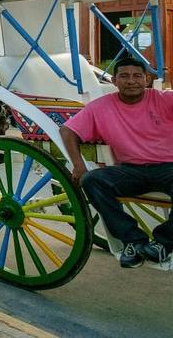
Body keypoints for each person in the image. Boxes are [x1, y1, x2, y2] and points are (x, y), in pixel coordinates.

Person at [62, 55, 173, 268]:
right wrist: (78, 165)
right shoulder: (100, 107)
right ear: (114, 81)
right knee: (92, 180)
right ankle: (133, 239)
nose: (131, 81)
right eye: (124, 76)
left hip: (169, 167)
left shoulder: (164, 99)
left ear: (146, 79)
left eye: (137, 76)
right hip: (129, 171)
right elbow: (67, 131)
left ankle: (163, 243)